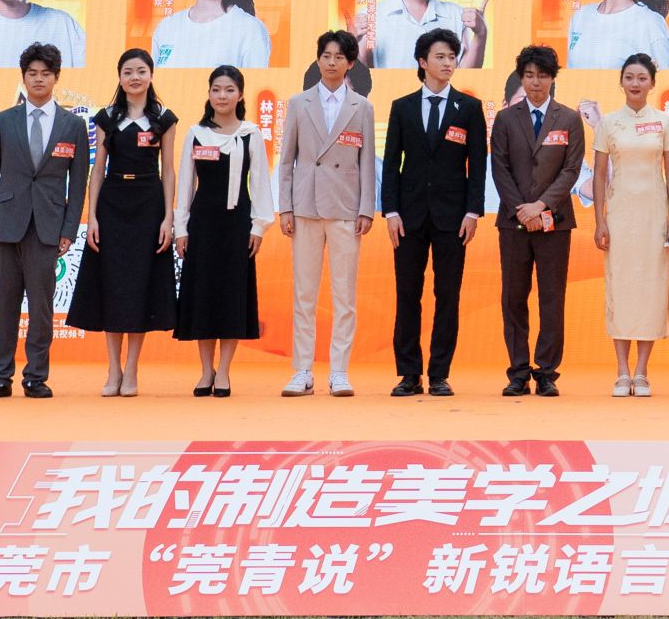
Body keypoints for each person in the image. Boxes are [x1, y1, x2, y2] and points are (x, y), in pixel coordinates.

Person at [0, 43, 90, 399]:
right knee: (5, 305)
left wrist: (69, 229)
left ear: (56, 78)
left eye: (46, 73)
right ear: (23, 78)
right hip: (6, 225)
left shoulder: (73, 125)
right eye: (32, 73)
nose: (39, 79)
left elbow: (78, 183)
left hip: (48, 227)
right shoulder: (3, 120)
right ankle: (0, 377)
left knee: (41, 307)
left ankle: (36, 377)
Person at [66, 49, 178, 396]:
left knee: (140, 286)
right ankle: (113, 369)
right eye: (128, 72)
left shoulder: (164, 118)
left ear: (151, 75)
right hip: (112, 204)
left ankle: (131, 370)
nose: (134, 77)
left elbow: (169, 170)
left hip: (149, 205)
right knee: (112, 286)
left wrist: (168, 218)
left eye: (141, 71)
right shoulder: (107, 117)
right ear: (119, 77)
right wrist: (92, 217)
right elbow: (97, 170)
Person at [382, 29, 488, 398]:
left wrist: (473, 212)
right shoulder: (402, 107)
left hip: (453, 218)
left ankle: (440, 373)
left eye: (452, 57)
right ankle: (409, 374)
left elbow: (478, 165)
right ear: (423, 62)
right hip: (408, 217)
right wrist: (391, 211)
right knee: (407, 294)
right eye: (440, 56)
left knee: (448, 295)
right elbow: (391, 163)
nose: (448, 63)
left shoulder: (469, 108)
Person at [276, 30, 378, 397]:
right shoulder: (299, 103)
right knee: (304, 293)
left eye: (339, 57)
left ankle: (339, 371)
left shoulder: (362, 107)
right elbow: (286, 160)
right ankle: (302, 370)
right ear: (318, 59)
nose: (331, 62)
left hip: (345, 209)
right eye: (326, 55)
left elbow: (367, 162)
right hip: (305, 207)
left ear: (350, 63)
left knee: (344, 296)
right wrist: (285, 207)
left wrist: (366, 209)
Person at [490, 45, 587, 396]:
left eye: (542, 76)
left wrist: (541, 206)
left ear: (552, 79)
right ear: (521, 78)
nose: (535, 83)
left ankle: (546, 372)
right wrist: (522, 208)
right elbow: (499, 168)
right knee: (513, 297)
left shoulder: (569, 119)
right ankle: (518, 372)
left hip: (555, 222)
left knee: (551, 297)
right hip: (513, 222)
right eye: (529, 75)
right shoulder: (505, 119)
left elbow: (571, 170)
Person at [174, 66, 271, 396]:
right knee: (203, 295)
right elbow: (185, 183)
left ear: (240, 95)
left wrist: (258, 226)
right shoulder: (196, 133)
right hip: (202, 224)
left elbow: (260, 183)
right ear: (208, 94)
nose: (222, 96)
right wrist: (180, 228)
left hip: (237, 225)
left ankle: (225, 371)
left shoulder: (251, 133)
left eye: (229, 90)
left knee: (232, 296)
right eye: (216, 89)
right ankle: (206, 371)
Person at [593, 54, 669, 395]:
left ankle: (642, 372)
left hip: (654, 216)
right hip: (619, 215)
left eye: (642, 78)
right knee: (620, 288)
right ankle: (621, 371)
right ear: (621, 82)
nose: (635, 83)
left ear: (652, 83)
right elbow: (599, 175)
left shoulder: (664, 122)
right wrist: (600, 220)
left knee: (651, 289)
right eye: (629, 77)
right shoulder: (608, 123)